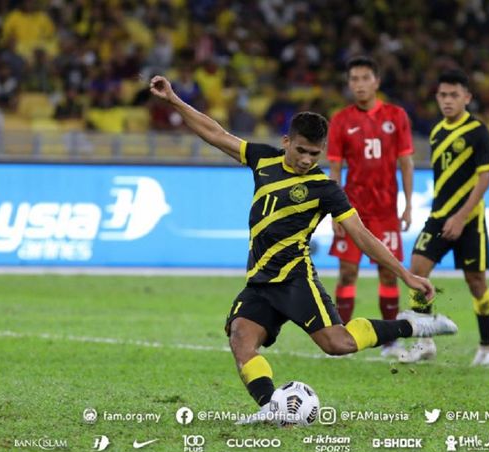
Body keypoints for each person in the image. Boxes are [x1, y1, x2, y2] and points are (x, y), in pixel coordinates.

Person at [148, 75, 458, 421]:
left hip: (295, 278)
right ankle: (270, 408)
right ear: (286, 142)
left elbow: (361, 235)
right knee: (240, 338)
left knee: (337, 344)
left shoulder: (324, 188)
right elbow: (215, 133)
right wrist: (174, 99)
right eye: (301, 151)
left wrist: (404, 274)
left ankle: (410, 325)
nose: (307, 159)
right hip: (261, 280)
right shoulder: (263, 160)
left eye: (314, 153)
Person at [399, 69, 489, 366]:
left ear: (467, 97)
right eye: (443, 95)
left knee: (476, 282)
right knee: (416, 272)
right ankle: (425, 341)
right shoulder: (436, 131)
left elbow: (485, 179)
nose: (447, 100)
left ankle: (486, 347)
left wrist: (461, 216)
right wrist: (446, 216)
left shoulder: (478, 131)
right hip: (438, 216)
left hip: (469, 220)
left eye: (454, 95)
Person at [327, 56, 414, 358]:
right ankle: (343, 338)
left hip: (387, 210)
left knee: (389, 273)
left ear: (376, 81)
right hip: (353, 211)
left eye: (365, 78)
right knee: (347, 273)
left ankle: (390, 341)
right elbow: (335, 169)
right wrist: (333, 210)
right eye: (354, 79)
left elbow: (405, 162)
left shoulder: (396, 116)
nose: (360, 84)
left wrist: (408, 205)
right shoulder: (340, 120)